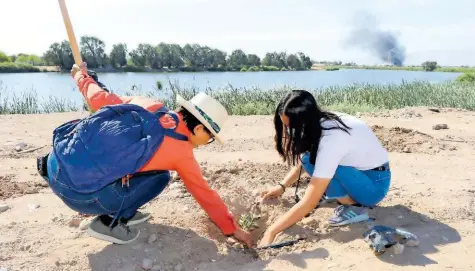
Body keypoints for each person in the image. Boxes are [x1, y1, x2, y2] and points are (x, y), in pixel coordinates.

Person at [36, 62, 252, 247]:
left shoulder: (150, 104)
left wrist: (82, 75)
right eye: (210, 137)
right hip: (78, 195)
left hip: (56, 162)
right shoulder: (181, 152)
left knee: (140, 164)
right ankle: (109, 221)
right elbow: (204, 193)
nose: (208, 142)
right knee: (161, 177)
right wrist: (231, 228)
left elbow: (98, 98)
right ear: (198, 129)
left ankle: (123, 207)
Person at [259, 90, 391, 246]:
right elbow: (306, 161)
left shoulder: (332, 139)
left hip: (373, 185)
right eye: (286, 126)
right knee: (308, 159)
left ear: (303, 121)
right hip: (358, 174)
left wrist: (271, 231)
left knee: (324, 168)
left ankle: (354, 207)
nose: (288, 132)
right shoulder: (320, 120)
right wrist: (282, 186)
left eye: (291, 126)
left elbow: (308, 203)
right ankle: (333, 194)